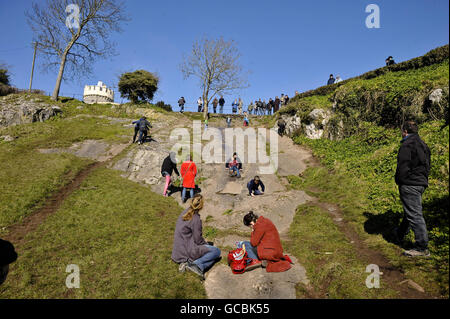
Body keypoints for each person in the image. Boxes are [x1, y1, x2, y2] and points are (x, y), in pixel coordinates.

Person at [394, 121, 431, 257]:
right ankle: (400, 233)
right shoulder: (423, 144)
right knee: (410, 211)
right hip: (421, 183)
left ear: (405, 131)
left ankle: (422, 247)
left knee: (415, 214)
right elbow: (427, 165)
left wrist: (400, 180)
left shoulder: (407, 145)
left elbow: (402, 167)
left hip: (410, 184)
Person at [171, 194, 221, 279]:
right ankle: (194, 265)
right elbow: (198, 240)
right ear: (201, 206)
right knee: (216, 252)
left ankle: (195, 265)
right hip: (186, 252)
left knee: (213, 259)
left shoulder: (184, 212)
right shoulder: (196, 219)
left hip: (177, 251)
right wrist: (206, 245)